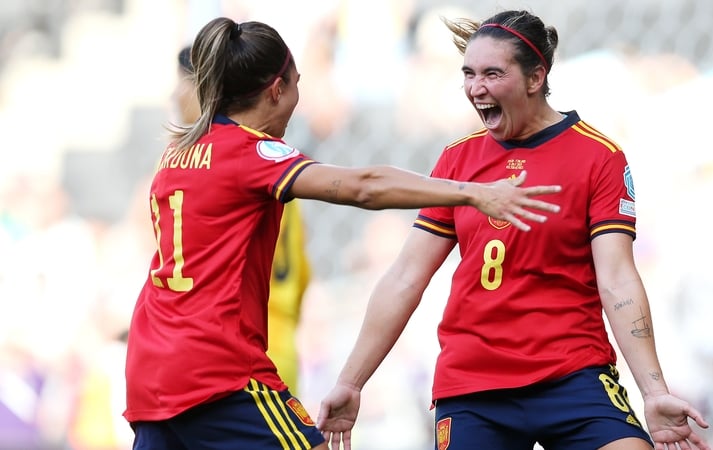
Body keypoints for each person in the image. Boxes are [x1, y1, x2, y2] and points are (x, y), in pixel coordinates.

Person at [123, 16, 561, 450]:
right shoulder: (252, 154)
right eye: (297, 83)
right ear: (277, 90)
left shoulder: (177, 155)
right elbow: (363, 186)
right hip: (216, 373)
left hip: (150, 373)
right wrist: (472, 194)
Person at [317, 9, 711, 450]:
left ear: (535, 77)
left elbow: (617, 278)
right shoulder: (458, 160)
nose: (475, 88)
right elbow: (407, 275)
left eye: (491, 73)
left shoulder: (598, 157)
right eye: (468, 74)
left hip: (572, 376)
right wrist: (351, 382)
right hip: (474, 387)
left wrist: (653, 391)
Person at [173, 44, 313, 393]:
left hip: (234, 354)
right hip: (277, 342)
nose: (175, 95)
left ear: (207, 89)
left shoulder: (213, 168)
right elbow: (302, 269)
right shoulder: (276, 165)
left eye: (183, 83)